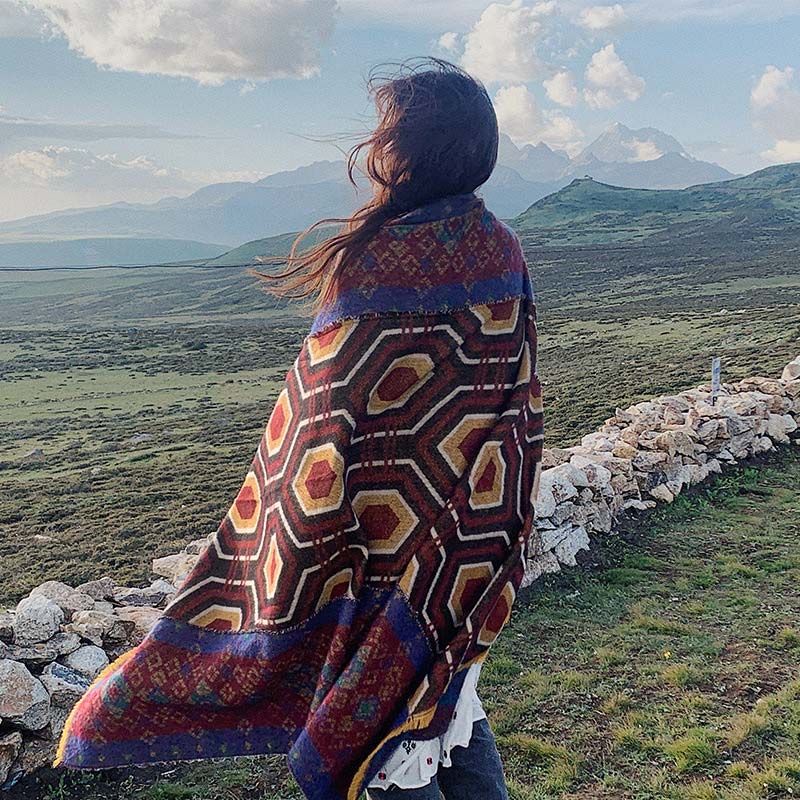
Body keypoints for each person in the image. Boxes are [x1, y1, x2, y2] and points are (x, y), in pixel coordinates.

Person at [56, 58, 544, 800]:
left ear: (405, 151)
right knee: (443, 711)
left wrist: (278, 543)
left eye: (385, 132)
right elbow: (514, 411)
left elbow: (316, 429)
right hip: (465, 554)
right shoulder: (501, 250)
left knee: (382, 745)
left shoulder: (371, 261)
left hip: (369, 559)